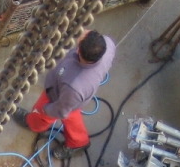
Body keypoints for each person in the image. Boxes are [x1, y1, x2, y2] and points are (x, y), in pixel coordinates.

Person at [12, 30, 116, 158]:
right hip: (75, 100)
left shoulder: (74, 85)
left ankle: (33, 123)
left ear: (79, 50)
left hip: (57, 97)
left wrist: (45, 110)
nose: (83, 31)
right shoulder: (108, 44)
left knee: (42, 113)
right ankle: (78, 142)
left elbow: (60, 110)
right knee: (72, 114)